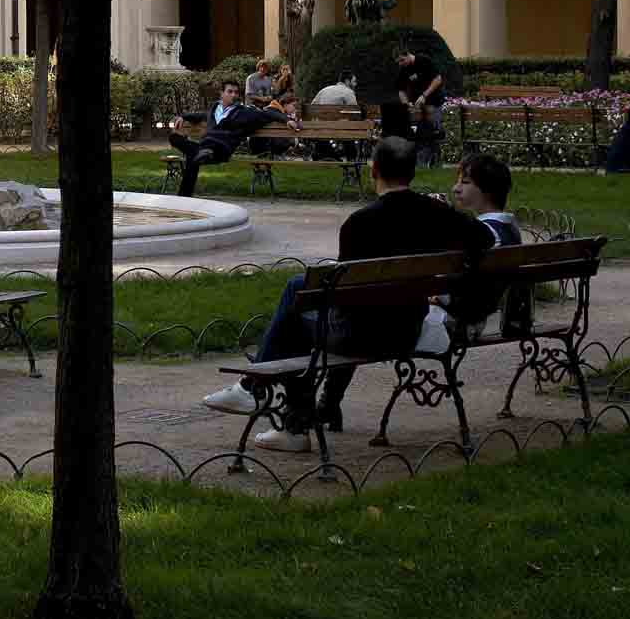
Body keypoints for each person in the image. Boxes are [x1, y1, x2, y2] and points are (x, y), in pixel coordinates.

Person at [200, 137, 494, 451]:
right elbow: (484, 238)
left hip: (359, 336)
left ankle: (275, 409)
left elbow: (346, 298)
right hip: (407, 330)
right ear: (412, 172)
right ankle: (262, 396)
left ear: (374, 170)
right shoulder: (436, 213)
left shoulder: (360, 223)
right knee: (298, 290)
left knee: (295, 313)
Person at [438, 153, 523, 339]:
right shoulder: (509, 229)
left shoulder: (488, 235)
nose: (455, 189)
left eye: (465, 183)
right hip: (475, 314)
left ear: (488, 190)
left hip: (457, 318)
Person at [166, 80, 300, 196]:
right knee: (175, 138)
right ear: (221, 93)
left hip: (221, 150)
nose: (233, 95)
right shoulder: (215, 108)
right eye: (230, 92)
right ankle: (185, 193)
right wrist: (183, 117)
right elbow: (200, 116)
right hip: (204, 148)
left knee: (195, 154)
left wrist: (286, 120)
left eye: (236, 92)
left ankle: (184, 196)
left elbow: (268, 113)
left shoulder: (244, 112)